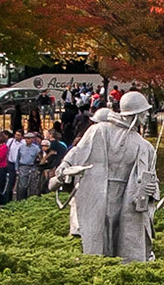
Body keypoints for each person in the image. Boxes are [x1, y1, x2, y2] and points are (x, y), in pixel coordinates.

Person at [55, 91, 158, 260]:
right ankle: (99, 275)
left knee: (124, 245)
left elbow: (150, 182)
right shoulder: (100, 130)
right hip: (98, 194)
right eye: (144, 112)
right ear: (135, 112)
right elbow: (79, 152)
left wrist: (150, 189)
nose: (147, 115)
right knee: (98, 244)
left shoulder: (144, 146)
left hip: (127, 200)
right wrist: (64, 167)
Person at [14, 131, 46, 200]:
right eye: (26, 138)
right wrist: (17, 168)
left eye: (29, 138)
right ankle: (20, 200)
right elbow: (17, 158)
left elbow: (40, 158)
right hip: (23, 166)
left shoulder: (36, 148)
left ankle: (31, 200)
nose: (27, 140)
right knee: (22, 185)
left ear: (32, 139)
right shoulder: (21, 147)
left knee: (33, 185)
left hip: (33, 167)